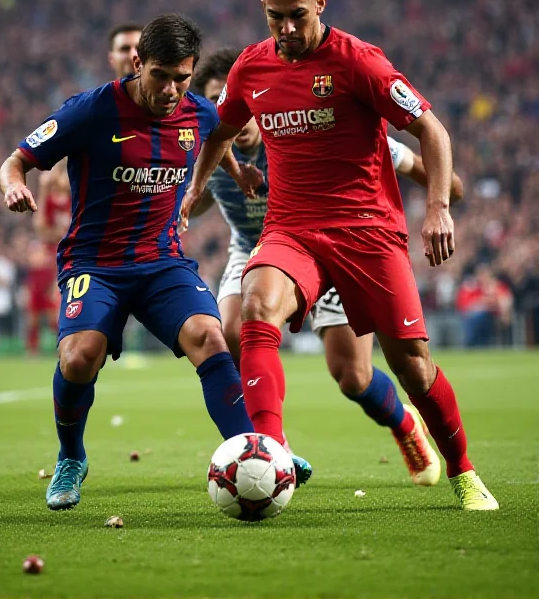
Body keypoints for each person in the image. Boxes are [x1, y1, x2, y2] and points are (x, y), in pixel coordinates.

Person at [181, 0, 498, 511]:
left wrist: (439, 207)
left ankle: (464, 471)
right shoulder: (250, 70)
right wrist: (195, 187)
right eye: (275, 17)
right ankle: (270, 450)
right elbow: (220, 131)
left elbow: (431, 129)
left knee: (410, 369)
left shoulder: (360, 63)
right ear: (263, 8)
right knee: (255, 311)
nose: (286, 29)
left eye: (297, 15)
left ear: (320, 4)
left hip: (367, 232)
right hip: (292, 228)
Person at [0, 14, 256, 511]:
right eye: (161, 76)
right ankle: (71, 456)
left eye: (182, 77)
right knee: (77, 358)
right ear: (138, 63)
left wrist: (226, 172)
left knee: (210, 335)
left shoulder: (197, 111)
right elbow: (16, 160)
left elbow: (218, 133)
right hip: (94, 264)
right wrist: (14, 184)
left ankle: (252, 451)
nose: (171, 89)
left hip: (161, 261)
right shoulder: (90, 111)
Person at [192, 48, 464, 486]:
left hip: (334, 242)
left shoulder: (302, 129)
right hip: (257, 248)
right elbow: (190, 197)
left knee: (352, 376)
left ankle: (404, 425)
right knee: (234, 326)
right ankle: (273, 447)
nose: (239, 123)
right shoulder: (215, 155)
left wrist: (445, 193)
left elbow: (408, 158)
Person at [26, 161, 72, 354]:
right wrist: (44, 190)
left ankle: (63, 345)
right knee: (36, 311)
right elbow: (41, 228)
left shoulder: (74, 199)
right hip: (52, 256)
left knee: (58, 306)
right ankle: (33, 350)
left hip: (68, 255)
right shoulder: (50, 201)